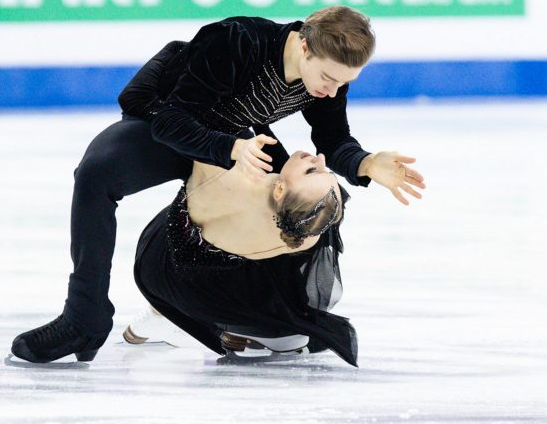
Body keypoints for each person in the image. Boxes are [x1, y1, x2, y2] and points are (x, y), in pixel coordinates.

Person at [11, 6, 426, 364]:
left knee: (311, 201)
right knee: (95, 174)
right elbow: (172, 120)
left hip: (238, 139)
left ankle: (260, 321)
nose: (331, 91)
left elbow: (333, 141)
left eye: (343, 83)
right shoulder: (236, 41)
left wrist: (367, 163)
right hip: (172, 126)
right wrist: (228, 149)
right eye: (328, 78)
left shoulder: (327, 75)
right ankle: (84, 317)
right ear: (303, 45)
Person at [129, 147, 369, 365]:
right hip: (199, 284)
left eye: (311, 170)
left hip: (162, 271)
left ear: (279, 189)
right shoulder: (308, 233)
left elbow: (194, 136)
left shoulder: (227, 181)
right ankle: (254, 324)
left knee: (322, 203)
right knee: (321, 206)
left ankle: (242, 323)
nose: (320, 157)